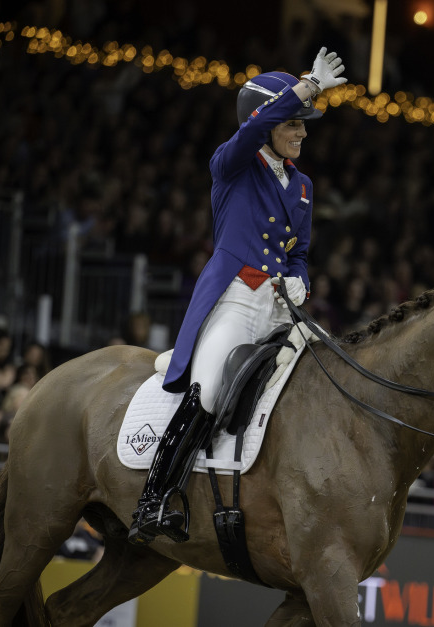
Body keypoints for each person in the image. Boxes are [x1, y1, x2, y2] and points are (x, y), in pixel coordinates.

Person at [128, 47, 347, 545]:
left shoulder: (303, 186)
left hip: (277, 306)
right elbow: (252, 130)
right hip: (233, 299)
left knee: (326, 376)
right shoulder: (231, 165)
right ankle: (156, 498)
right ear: (265, 123)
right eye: (294, 123)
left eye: (303, 124)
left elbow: (299, 252)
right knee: (206, 389)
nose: (303, 132)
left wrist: (301, 280)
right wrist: (307, 85)